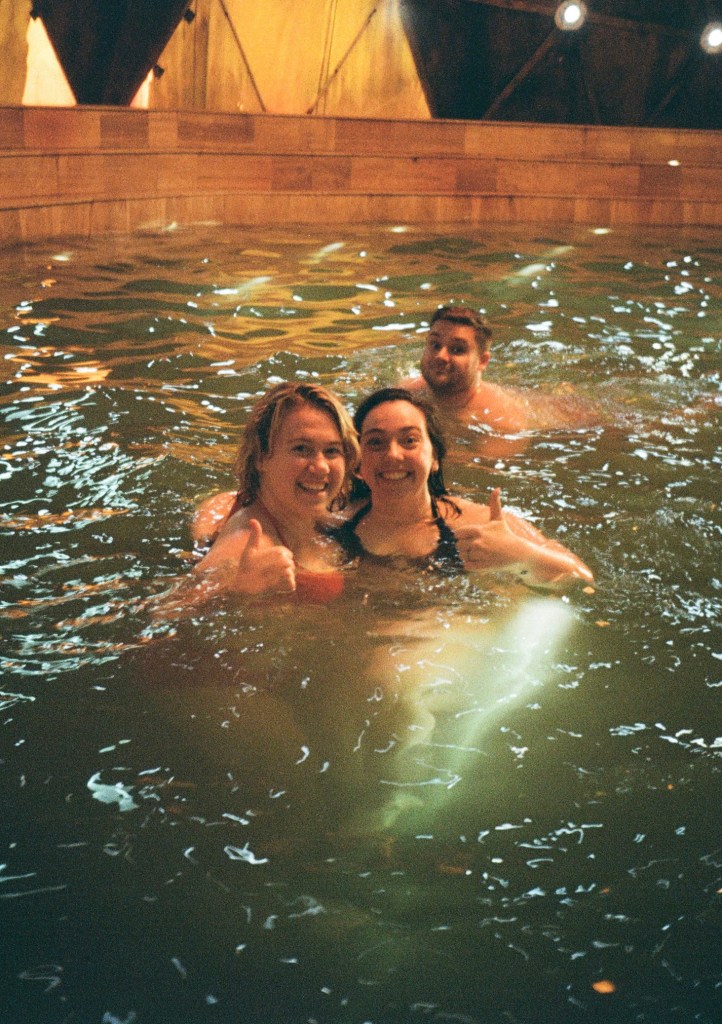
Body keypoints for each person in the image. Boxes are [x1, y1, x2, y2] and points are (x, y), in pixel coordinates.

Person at [336, 387, 593, 591]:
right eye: (376, 442)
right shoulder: (335, 522)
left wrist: (521, 556)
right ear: (356, 462)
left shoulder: (480, 525)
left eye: (410, 440)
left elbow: (581, 578)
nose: (393, 454)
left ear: (434, 457)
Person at [170, 382, 360, 607]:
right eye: (301, 448)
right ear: (261, 457)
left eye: (332, 451)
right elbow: (165, 614)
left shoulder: (312, 513)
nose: (321, 467)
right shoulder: (246, 545)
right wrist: (239, 591)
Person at [401, 305, 601, 435]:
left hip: (586, 418)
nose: (440, 356)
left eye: (457, 350)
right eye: (435, 345)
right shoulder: (410, 392)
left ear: (482, 361)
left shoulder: (500, 422)